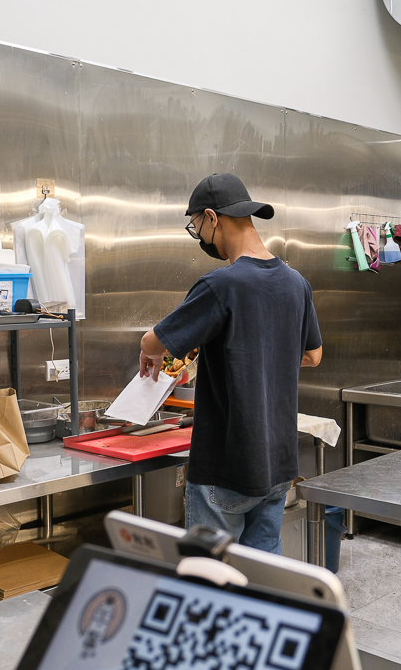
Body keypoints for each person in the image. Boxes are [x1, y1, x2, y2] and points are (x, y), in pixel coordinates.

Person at [138, 173, 322, 554]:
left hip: (226, 466)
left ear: (212, 217)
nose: (200, 237)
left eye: (195, 227)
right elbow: (312, 355)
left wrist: (151, 352)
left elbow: (154, 340)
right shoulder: (296, 282)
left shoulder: (221, 285)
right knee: (260, 581)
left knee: (210, 583)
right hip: (278, 464)